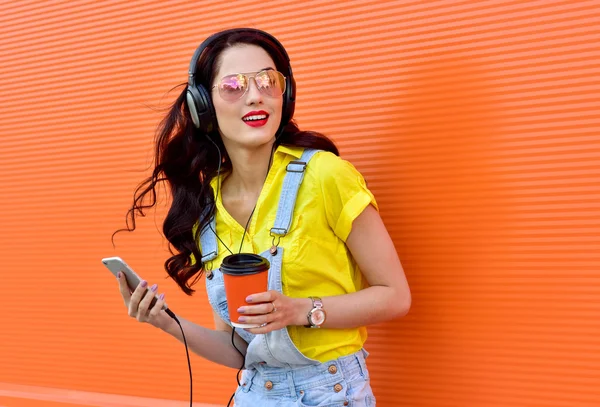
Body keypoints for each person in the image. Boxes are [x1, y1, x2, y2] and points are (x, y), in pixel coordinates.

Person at [114, 28, 411, 406]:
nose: (255, 95)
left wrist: (300, 310)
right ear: (202, 106)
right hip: (255, 395)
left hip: (332, 394)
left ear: (285, 94)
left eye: (268, 81)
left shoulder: (327, 176)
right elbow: (239, 348)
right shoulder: (208, 210)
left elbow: (396, 296)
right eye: (234, 85)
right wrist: (165, 322)